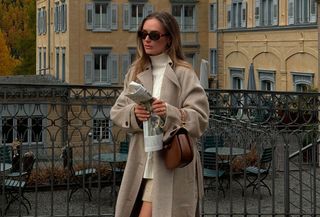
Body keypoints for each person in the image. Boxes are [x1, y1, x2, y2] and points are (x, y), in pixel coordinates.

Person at [110, 11, 209, 217]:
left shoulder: (184, 73)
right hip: (142, 160)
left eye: (154, 35)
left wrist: (170, 113)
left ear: (168, 40)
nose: (147, 39)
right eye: (143, 34)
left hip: (171, 162)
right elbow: (117, 112)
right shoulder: (136, 71)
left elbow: (200, 118)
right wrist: (135, 114)